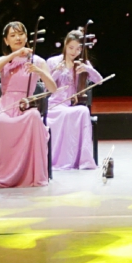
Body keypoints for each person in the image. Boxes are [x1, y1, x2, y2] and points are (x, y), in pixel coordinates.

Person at [0, 21, 56, 188]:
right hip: (6, 107)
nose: (17, 38)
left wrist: (40, 72)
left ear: (26, 37)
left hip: (25, 107)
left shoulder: (37, 60)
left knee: (34, 117)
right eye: (13, 35)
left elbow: (52, 88)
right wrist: (13, 55)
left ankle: (31, 174)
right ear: (6, 41)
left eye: (21, 34)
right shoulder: (4, 60)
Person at [45, 29, 103, 170]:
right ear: (65, 44)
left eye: (78, 49)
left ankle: (82, 160)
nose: (74, 52)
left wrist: (88, 69)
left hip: (69, 106)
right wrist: (57, 71)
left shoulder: (82, 63)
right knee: (70, 113)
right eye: (71, 47)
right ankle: (59, 159)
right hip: (53, 106)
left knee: (83, 111)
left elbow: (99, 81)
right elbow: (46, 87)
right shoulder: (53, 62)